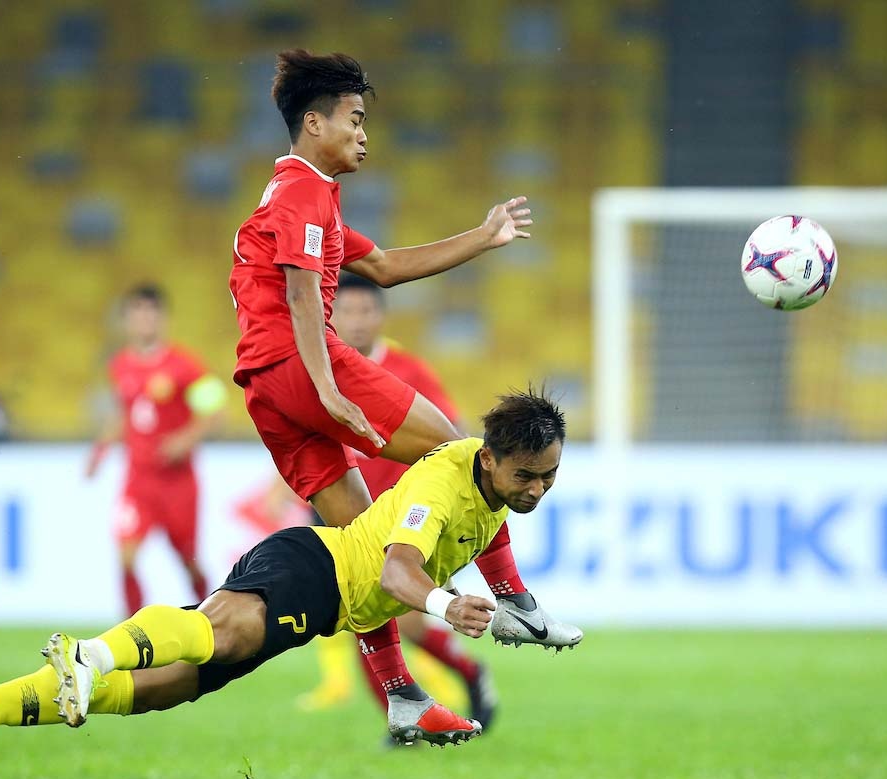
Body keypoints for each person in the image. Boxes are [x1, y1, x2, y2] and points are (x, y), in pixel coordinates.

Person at [0, 389, 582, 779]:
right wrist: (446, 605)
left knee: (167, 689)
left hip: (327, 606)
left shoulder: (495, 493)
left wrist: (526, 609)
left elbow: (491, 542)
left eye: (548, 477)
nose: (537, 490)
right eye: (528, 476)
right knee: (223, 629)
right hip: (311, 567)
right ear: (489, 457)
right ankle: (91, 655)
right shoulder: (442, 482)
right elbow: (395, 575)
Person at [228, 48, 544, 740]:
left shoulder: (303, 194)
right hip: (297, 364)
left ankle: (401, 694)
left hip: (262, 385)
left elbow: (382, 267)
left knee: (361, 546)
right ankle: (513, 597)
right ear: (315, 123)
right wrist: (328, 391)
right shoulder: (305, 190)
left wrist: (484, 238)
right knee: (468, 458)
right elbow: (304, 297)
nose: (365, 133)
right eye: (355, 119)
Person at [298, 274, 495, 729]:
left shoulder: (409, 369)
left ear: (381, 316)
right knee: (357, 619)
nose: (358, 321)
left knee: (396, 620)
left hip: (406, 519)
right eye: (347, 311)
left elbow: (452, 437)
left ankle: (461, 677)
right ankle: (404, 715)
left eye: (367, 311)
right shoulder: (319, 370)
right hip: (349, 511)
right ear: (330, 316)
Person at [86, 284, 227, 612]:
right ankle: (132, 631)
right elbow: (126, 414)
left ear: (163, 319)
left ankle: (211, 613)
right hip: (139, 481)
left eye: (151, 312)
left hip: (178, 484)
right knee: (126, 556)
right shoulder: (120, 365)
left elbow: (217, 411)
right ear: (126, 321)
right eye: (137, 313)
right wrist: (100, 452)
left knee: (188, 561)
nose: (145, 320)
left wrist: (185, 439)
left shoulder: (184, 366)